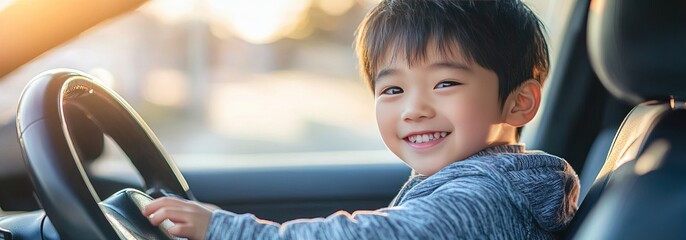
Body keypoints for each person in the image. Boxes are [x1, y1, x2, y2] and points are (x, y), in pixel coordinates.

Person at [142, 0, 580, 239]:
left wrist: (226, 229)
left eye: (445, 83)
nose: (413, 108)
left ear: (519, 103)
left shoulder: (485, 195)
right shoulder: (480, 180)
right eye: (392, 89)